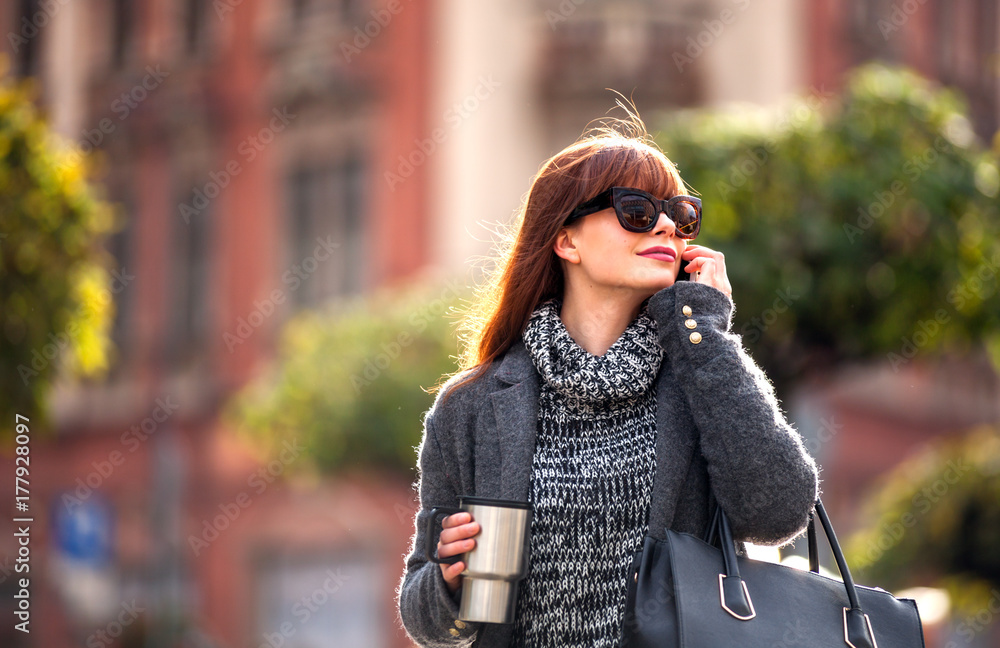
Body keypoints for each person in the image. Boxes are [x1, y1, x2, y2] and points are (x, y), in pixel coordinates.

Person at [396, 113, 819, 648]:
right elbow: (426, 619)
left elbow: (778, 511)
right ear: (566, 242)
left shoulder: (702, 377)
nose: (666, 226)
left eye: (680, 215)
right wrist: (450, 582)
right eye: (636, 212)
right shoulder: (472, 407)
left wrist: (704, 331)